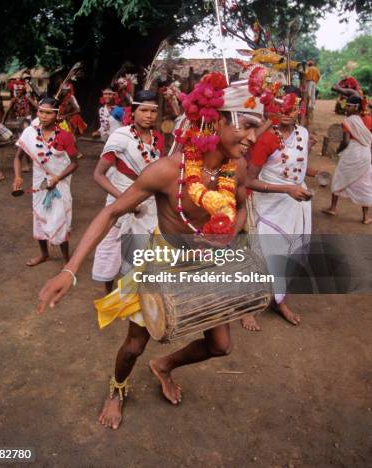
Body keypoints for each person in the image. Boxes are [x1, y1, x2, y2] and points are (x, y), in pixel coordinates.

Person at [37, 73, 263, 430]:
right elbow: (111, 211)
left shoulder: (237, 168)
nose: (253, 138)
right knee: (133, 346)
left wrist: (225, 239)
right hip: (163, 265)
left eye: (258, 128)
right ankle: (117, 388)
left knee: (221, 346)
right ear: (217, 120)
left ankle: (165, 366)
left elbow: (240, 211)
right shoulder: (168, 171)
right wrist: (70, 270)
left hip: (207, 267)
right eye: (246, 126)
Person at [244, 87, 316, 331]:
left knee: (286, 254)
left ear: (300, 109)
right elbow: (249, 181)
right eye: (281, 105)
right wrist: (286, 190)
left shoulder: (303, 133)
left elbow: (299, 168)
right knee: (263, 255)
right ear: (273, 106)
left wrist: (303, 181)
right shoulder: (265, 138)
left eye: (292, 106)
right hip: (269, 204)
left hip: (296, 203)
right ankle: (249, 306)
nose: (286, 111)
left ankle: (279, 300)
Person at [93, 91, 164, 293]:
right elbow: (99, 175)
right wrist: (125, 201)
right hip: (120, 197)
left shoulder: (158, 138)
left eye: (153, 111)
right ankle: (108, 293)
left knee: (140, 249)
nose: (149, 115)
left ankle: (129, 293)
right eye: (143, 110)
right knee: (111, 248)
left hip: (148, 202)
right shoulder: (121, 136)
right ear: (132, 112)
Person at [13, 97, 79, 266]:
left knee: (59, 219)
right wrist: (18, 176)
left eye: (49, 113)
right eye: (41, 111)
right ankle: (44, 254)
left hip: (60, 183)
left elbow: (74, 164)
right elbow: (18, 158)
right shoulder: (30, 132)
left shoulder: (65, 136)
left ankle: (66, 260)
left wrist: (57, 178)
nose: (43, 116)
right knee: (39, 217)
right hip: (39, 183)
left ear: (57, 115)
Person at [322, 114, 372, 224]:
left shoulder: (349, 121)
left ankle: (333, 208)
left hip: (352, 152)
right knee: (365, 183)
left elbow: (345, 141)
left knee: (339, 177)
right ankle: (365, 217)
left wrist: (338, 150)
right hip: (365, 154)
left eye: (349, 106)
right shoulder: (369, 119)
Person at [3, 79, 38, 172]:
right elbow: (7, 111)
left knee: (25, 143)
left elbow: (37, 107)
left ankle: (30, 164)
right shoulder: (14, 100)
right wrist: (1, 123)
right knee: (24, 144)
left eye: (19, 90)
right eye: (16, 90)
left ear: (23, 90)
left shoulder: (27, 98)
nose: (18, 92)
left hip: (27, 122)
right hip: (19, 123)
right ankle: (29, 164)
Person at [57, 82, 87, 158]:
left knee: (70, 136)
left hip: (71, 119)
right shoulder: (59, 97)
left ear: (68, 91)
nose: (63, 91)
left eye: (65, 90)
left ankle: (77, 152)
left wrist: (66, 115)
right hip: (61, 119)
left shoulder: (71, 98)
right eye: (62, 90)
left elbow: (78, 110)